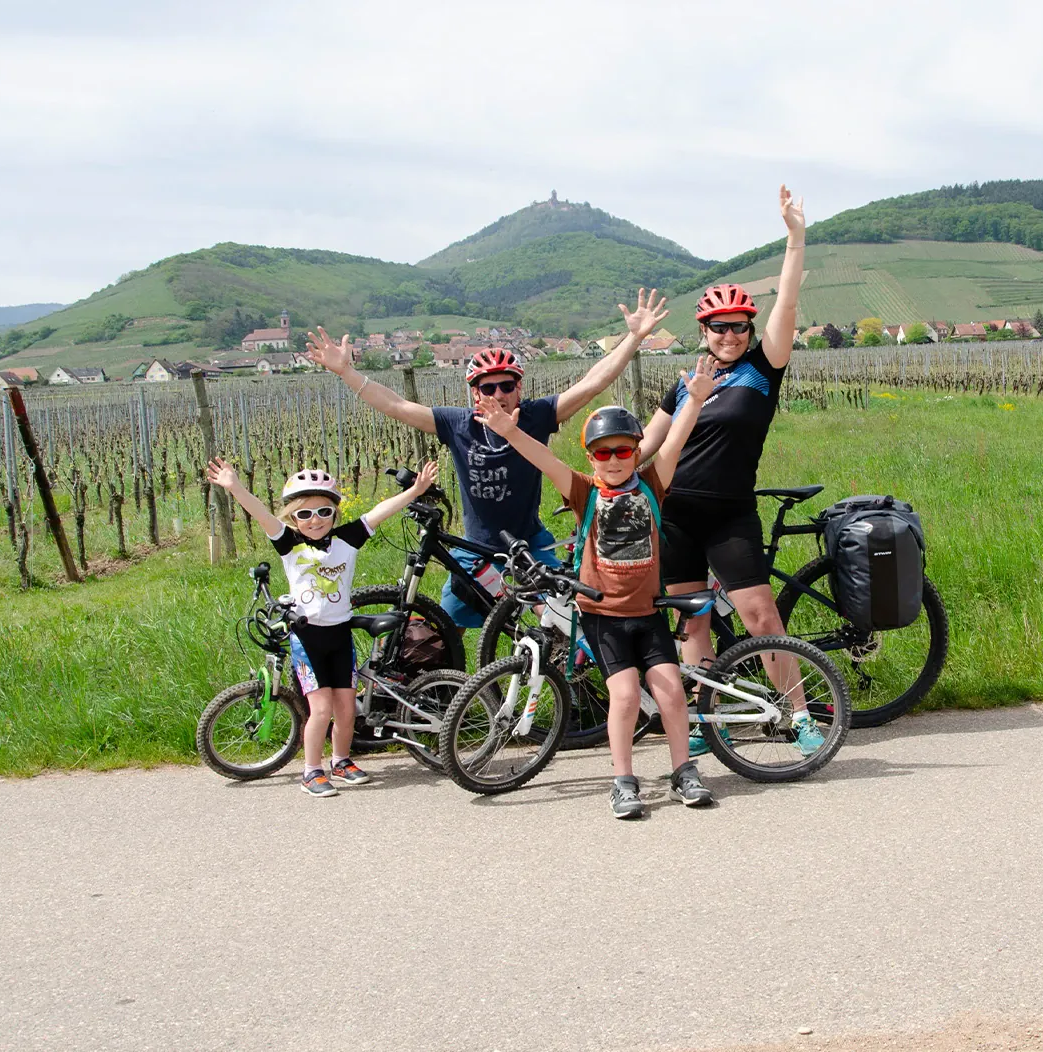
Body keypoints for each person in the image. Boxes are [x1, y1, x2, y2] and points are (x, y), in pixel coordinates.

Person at [303, 290, 669, 628]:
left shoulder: (535, 417)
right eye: (488, 387)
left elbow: (592, 383)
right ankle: (460, 683)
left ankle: (574, 679)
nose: (499, 394)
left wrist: (634, 338)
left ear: (519, 388)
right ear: (475, 394)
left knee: (570, 614)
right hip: (475, 547)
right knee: (446, 623)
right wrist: (347, 372)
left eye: (507, 385)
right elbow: (397, 406)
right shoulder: (457, 424)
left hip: (529, 542)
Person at [478, 357, 718, 819]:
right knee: (626, 695)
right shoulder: (584, 491)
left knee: (669, 688)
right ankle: (623, 780)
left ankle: (683, 770)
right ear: (591, 457)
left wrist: (696, 399)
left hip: (648, 613)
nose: (613, 460)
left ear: (636, 450)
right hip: (603, 617)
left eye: (623, 451)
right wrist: (510, 432)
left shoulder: (652, 484)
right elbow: (544, 459)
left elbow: (676, 440)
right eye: (603, 453)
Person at [637, 185, 819, 755]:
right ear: (703, 331)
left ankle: (800, 717)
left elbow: (786, 304)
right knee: (693, 625)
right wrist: (601, 480)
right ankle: (700, 722)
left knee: (761, 615)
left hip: (730, 512)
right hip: (676, 514)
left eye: (740, 324)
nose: (731, 334)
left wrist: (795, 238)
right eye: (719, 326)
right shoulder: (683, 385)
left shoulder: (763, 370)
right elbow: (645, 446)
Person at [205, 456, 439, 797]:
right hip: (308, 638)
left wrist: (416, 490)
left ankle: (341, 761)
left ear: (335, 513)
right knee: (322, 708)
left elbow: (381, 511)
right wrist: (235, 487)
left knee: (346, 708)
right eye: (304, 514)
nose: (315, 520)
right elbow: (261, 514)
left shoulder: (347, 539)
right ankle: (311, 770)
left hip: (340, 635)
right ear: (293, 517)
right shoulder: (289, 544)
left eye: (324, 512)